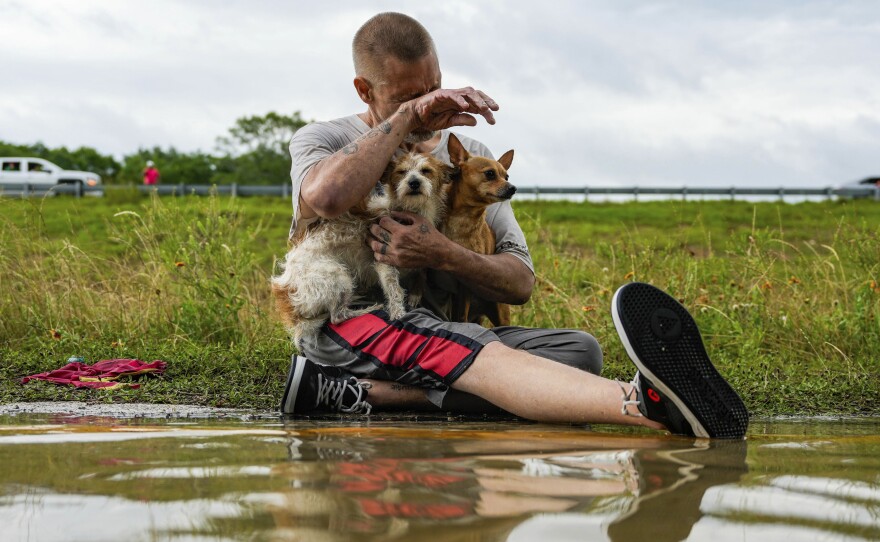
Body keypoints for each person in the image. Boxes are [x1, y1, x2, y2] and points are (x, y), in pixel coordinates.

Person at [278, 12, 748, 439]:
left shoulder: (470, 159)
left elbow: (519, 284)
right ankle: (644, 403)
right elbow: (326, 198)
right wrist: (405, 120)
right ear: (365, 90)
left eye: (432, 89)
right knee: (473, 343)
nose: (428, 106)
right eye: (408, 97)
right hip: (350, 320)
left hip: (439, 330)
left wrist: (441, 252)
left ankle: (360, 394)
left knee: (579, 353)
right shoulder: (324, 139)